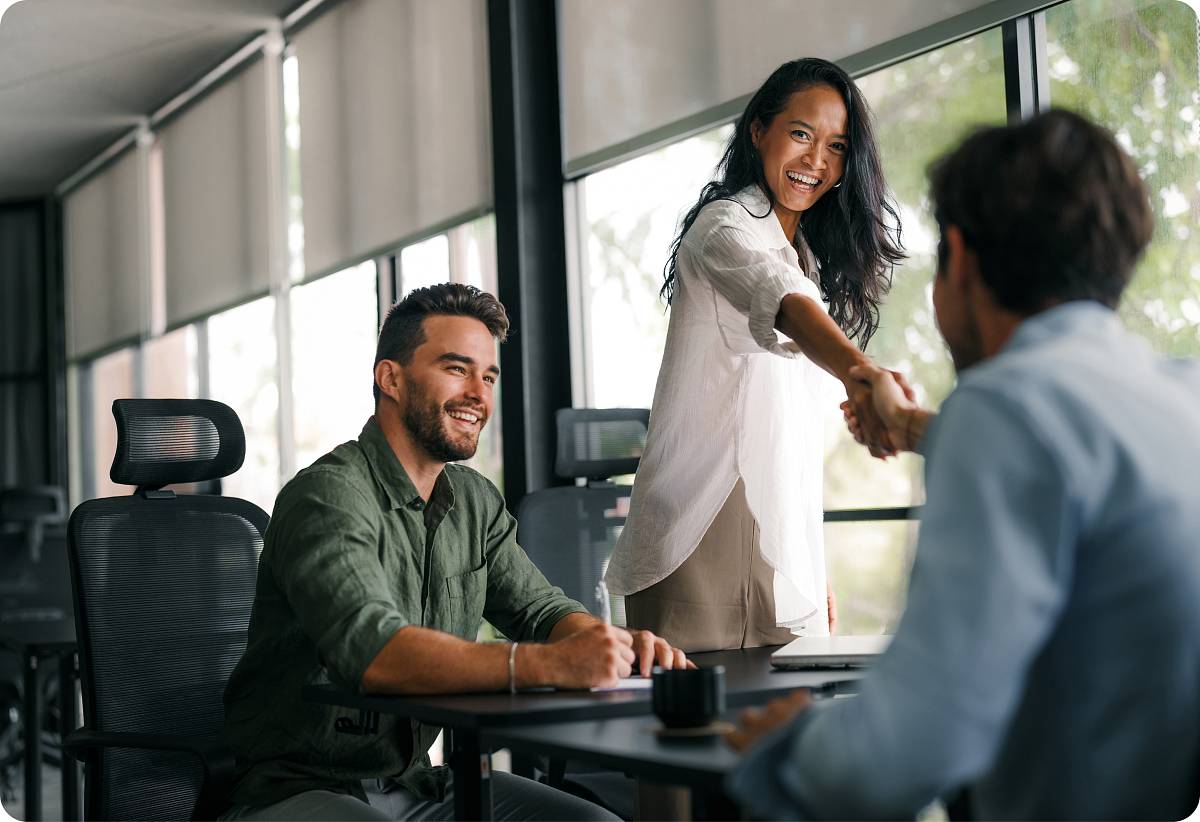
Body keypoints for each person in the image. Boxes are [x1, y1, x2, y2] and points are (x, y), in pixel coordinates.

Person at [725, 109, 1200, 819]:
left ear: (960, 256)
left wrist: (791, 750)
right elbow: (1066, 468)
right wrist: (913, 425)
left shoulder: (1008, 411)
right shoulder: (1179, 395)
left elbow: (905, 750)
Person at [221, 284, 689, 821]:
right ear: (390, 378)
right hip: (298, 789)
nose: (478, 394)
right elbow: (377, 655)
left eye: (488, 376)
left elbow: (540, 612)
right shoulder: (327, 496)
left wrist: (616, 647)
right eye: (455, 368)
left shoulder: (474, 500)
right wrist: (551, 663)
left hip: (419, 784)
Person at [605, 58, 905, 651]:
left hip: (775, 533)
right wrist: (861, 372)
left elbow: (787, 436)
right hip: (704, 526)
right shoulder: (724, 228)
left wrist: (807, 564)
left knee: (781, 729)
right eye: (800, 134)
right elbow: (780, 300)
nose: (815, 161)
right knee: (696, 735)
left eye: (836, 146)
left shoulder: (808, 259)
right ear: (758, 131)